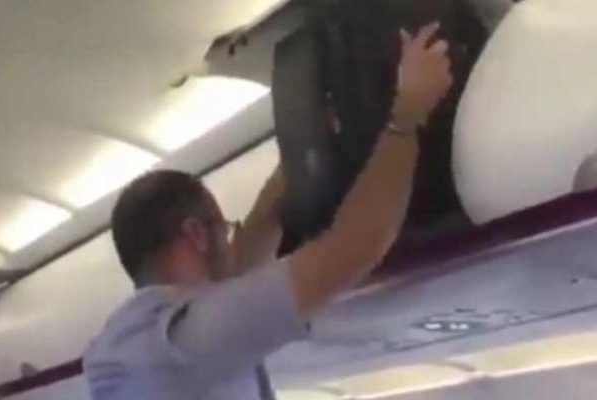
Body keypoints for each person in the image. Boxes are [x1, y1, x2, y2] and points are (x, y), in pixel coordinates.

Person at [83, 22, 453, 400]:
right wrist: (407, 114)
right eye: (224, 229)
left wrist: (306, 142)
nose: (233, 241)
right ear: (195, 235)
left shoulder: (131, 344)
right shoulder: (189, 343)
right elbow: (357, 246)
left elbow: (246, 255)